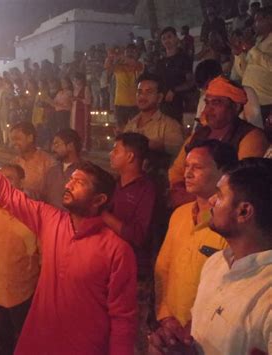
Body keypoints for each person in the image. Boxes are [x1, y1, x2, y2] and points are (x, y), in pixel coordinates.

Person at [0, 137, 138, 354]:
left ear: (99, 200)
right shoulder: (52, 221)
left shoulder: (117, 250)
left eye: (80, 182)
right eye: (71, 180)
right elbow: (7, 194)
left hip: (87, 345)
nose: (69, 185)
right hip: (43, 339)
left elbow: (123, 318)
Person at [149, 158, 272, 355]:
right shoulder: (217, 263)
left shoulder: (266, 295)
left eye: (220, 195)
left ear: (244, 211)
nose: (213, 201)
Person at [154, 140, 237, 341]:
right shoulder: (179, 215)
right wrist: (165, 317)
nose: (187, 174)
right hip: (170, 330)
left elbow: (230, 290)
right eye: (187, 167)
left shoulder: (232, 224)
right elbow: (163, 269)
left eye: (197, 167)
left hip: (209, 336)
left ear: (224, 173)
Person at [169, 76, 269, 208]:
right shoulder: (199, 135)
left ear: (235, 107)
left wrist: (199, 198)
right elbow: (176, 172)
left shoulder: (252, 137)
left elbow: (239, 184)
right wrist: (179, 192)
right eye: (207, 103)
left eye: (216, 103)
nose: (207, 110)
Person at [0, 164, 40, 355]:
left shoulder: (34, 213)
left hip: (25, 291)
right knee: (3, 342)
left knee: (29, 340)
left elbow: (43, 254)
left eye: (10, 178)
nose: (5, 182)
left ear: (22, 182)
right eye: (2, 178)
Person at [102, 132, 158, 353]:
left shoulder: (147, 190)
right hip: (110, 266)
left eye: (116, 150)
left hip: (135, 273)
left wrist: (104, 215)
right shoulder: (115, 184)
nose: (111, 154)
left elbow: (138, 235)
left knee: (130, 333)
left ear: (131, 156)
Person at [124, 73, 184, 164]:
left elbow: (178, 157)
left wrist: (159, 147)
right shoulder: (130, 125)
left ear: (159, 97)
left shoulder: (170, 126)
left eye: (148, 92)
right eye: (139, 92)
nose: (142, 96)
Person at [233, 6, 272, 139]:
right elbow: (244, 72)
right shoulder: (257, 42)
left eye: (258, 20)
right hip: (251, 102)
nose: (255, 24)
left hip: (267, 101)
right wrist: (239, 55)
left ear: (269, 19)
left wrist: (252, 50)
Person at [194, 59, 263, 130]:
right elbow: (196, 131)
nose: (210, 91)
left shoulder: (246, 93)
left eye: (211, 85)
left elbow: (256, 126)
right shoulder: (204, 99)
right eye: (205, 89)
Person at [155, 27, 194, 122]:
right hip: (162, 105)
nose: (166, 40)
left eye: (169, 37)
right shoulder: (160, 62)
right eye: (163, 38)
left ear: (176, 38)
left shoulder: (184, 58)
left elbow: (191, 82)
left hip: (180, 104)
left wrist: (174, 90)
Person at [10, 121, 56, 200]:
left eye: (17, 139)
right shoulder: (14, 163)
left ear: (30, 138)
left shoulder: (48, 162)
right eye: (12, 140)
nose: (13, 143)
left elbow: (54, 193)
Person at [42, 129, 82, 209]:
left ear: (70, 146)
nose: (53, 148)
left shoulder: (84, 171)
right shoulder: (52, 171)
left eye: (57, 144)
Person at [112, 44, 143, 130]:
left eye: (132, 51)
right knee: (121, 130)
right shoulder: (119, 67)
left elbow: (134, 63)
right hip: (120, 103)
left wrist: (121, 57)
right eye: (128, 51)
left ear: (137, 53)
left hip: (135, 104)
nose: (130, 53)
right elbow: (107, 65)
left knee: (136, 130)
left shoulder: (139, 64)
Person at [71, 72, 92, 150]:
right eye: (75, 80)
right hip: (74, 110)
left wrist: (78, 99)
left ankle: (84, 146)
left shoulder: (85, 88)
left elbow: (88, 101)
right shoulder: (75, 89)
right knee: (75, 127)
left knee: (82, 128)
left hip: (82, 111)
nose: (76, 81)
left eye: (77, 80)